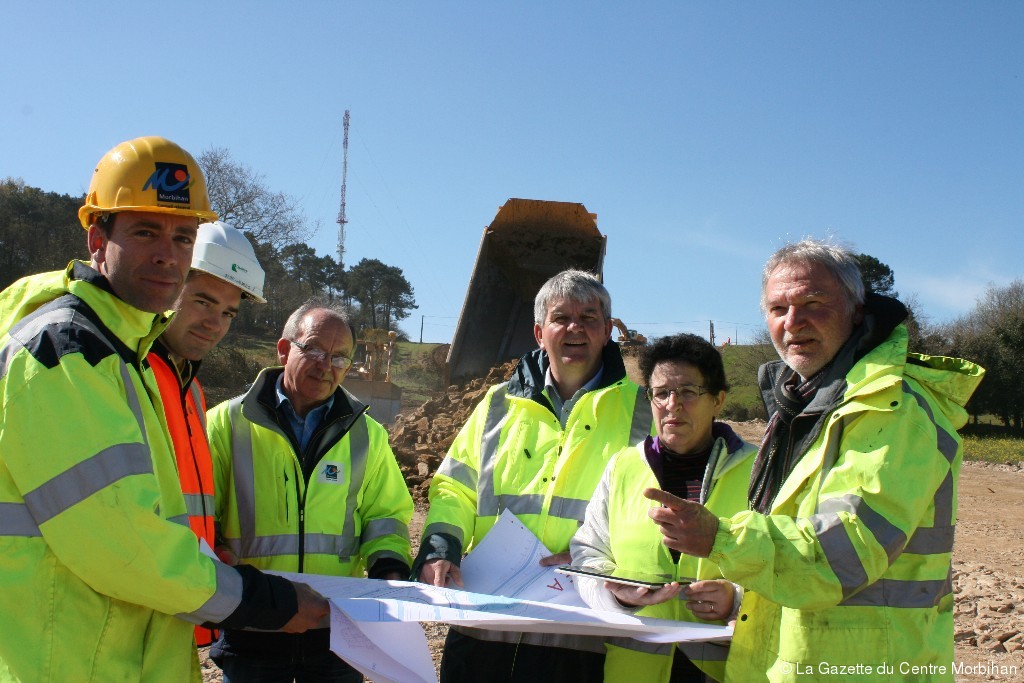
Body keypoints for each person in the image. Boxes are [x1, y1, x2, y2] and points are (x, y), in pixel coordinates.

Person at [0, 136, 327, 683]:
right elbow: (122, 542)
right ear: (97, 239)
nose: (166, 254)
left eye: (182, 237)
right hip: (70, 658)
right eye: (145, 231)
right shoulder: (67, 353)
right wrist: (261, 600)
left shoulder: (128, 358)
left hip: (132, 645)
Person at [643, 238, 984, 682]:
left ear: (856, 310)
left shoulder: (893, 410)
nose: (793, 322)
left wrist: (720, 538)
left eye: (813, 303)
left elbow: (844, 552)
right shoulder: (800, 407)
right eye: (777, 308)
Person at [414, 269, 653, 683]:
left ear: (607, 331)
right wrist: (441, 546)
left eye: (589, 317)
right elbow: (455, 487)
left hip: (577, 630)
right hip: (484, 621)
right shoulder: (496, 405)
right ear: (540, 333)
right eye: (561, 318)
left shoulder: (644, 413)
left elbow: (651, 515)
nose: (575, 327)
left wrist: (601, 564)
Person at [206, 298, 415, 682]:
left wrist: (390, 569)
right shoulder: (224, 424)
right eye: (315, 349)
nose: (326, 365)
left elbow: (385, 516)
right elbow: (200, 516)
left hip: (335, 629)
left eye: (339, 358)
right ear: (284, 349)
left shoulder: (367, 435)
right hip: (254, 623)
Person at [571, 333, 757, 682]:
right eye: (661, 393)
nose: (673, 404)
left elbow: (790, 563)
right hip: (632, 671)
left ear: (718, 400)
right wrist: (617, 594)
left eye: (688, 392)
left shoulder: (758, 471)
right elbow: (587, 554)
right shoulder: (623, 466)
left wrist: (737, 598)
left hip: (723, 669)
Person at [149, 219, 268, 648]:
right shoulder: (128, 374)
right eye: (202, 301)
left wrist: (210, 540)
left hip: (169, 616)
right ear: (168, 282)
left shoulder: (190, 390)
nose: (214, 323)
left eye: (228, 313)